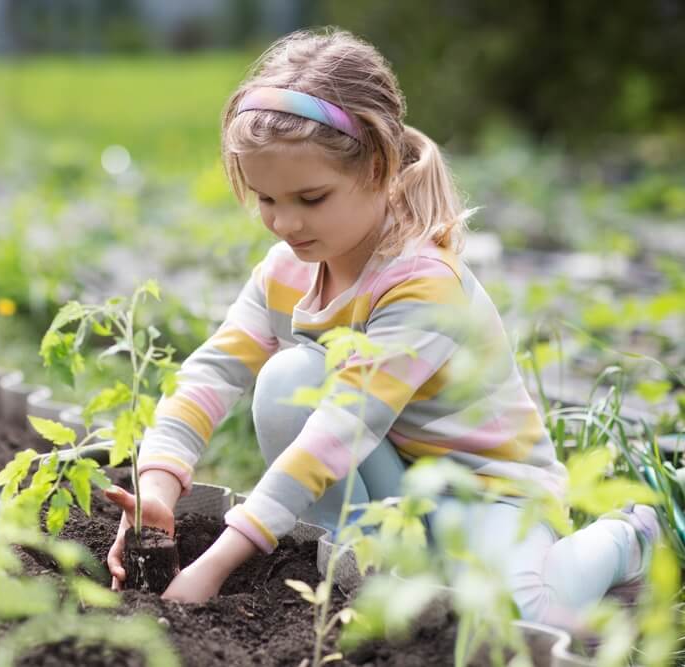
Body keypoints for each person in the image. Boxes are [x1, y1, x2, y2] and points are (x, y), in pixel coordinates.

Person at [103, 26, 660, 631]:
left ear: (379, 165)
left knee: (515, 624)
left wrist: (215, 565)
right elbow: (213, 372)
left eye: (311, 198)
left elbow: (339, 431)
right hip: (393, 477)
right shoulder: (289, 270)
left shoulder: (420, 283)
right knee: (291, 379)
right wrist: (157, 487)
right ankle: (356, 575)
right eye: (266, 199)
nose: (284, 223)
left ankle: (630, 539)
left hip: (486, 492)